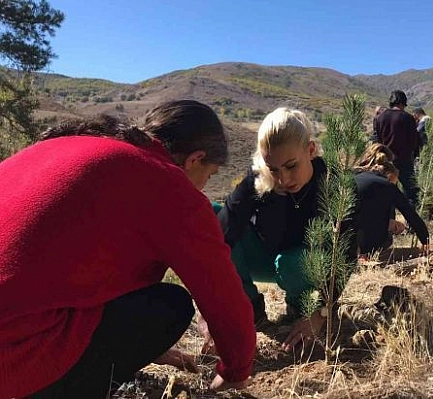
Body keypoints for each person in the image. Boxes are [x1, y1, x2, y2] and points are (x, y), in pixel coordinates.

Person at [0, 100, 256, 399]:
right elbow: (224, 297)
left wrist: (149, 350)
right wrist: (236, 371)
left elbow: (56, 265)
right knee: (169, 306)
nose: (203, 186)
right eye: (209, 175)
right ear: (195, 159)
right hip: (12, 363)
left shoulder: (67, 146)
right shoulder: (166, 184)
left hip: (15, 326)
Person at [216, 107, 355, 353]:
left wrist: (321, 312)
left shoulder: (334, 182)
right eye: (274, 169)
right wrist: (214, 308)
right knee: (213, 217)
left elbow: (346, 254)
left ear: (310, 150)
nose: (283, 179)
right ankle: (250, 310)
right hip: (265, 257)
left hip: (305, 268)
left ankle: (300, 308)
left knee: (292, 262)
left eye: (291, 166)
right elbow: (224, 232)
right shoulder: (258, 176)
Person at [353, 143, 429, 257]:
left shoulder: (352, 177)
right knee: (386, 239)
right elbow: (410, 214)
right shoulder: (386, 186)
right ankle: (368, 255)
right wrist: (425, 239)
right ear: (388, 175)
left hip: (344, 237)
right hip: (368, 241)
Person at [373, 90, 420, 208]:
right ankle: (411, 223)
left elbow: (376, 140)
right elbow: (414, 141)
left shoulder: (380, 118)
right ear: (403, 103)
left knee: (386, 194)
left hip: (385, 161)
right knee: (411, 193)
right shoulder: (408, 117)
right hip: (404, 161)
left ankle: (388, 223)